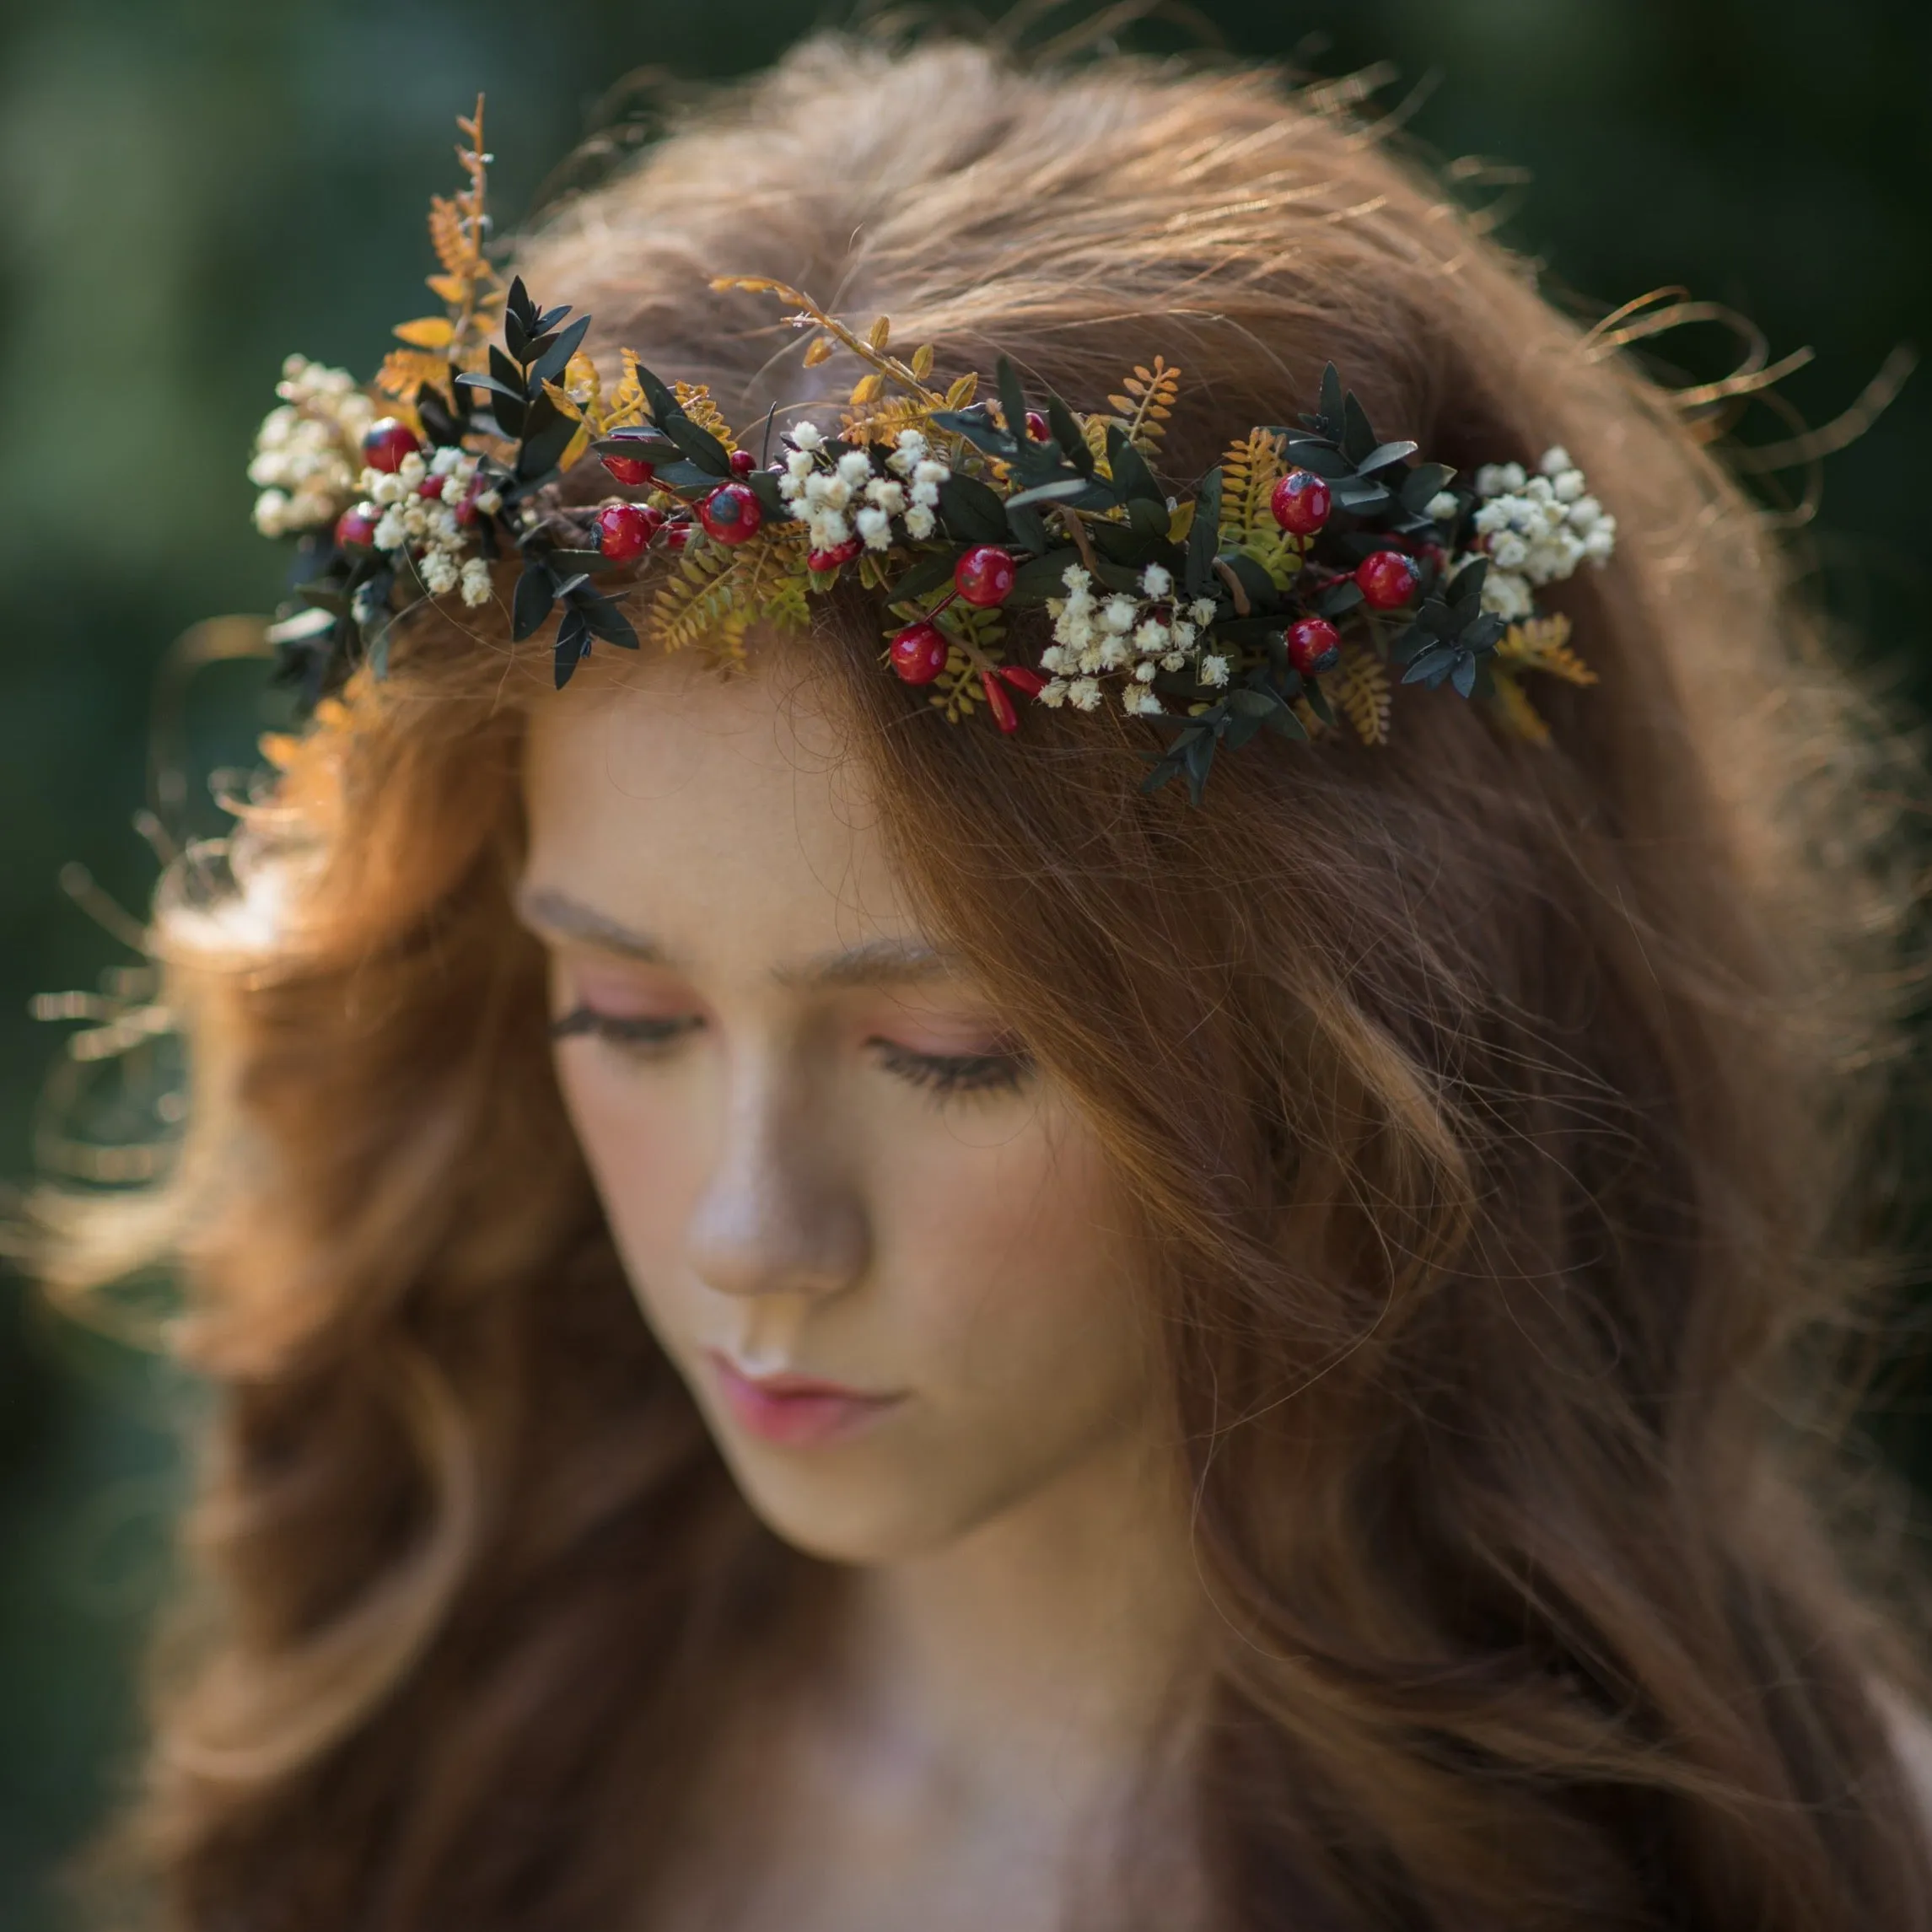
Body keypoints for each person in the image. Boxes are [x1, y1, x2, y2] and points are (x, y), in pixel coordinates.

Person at [42, 28, 1932, 1932]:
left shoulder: (1767, 1873)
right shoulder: (439, 1728)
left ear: (1366, 1024)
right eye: (627, 1019)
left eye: (947, 1053)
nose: (750, 1230)